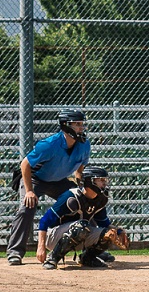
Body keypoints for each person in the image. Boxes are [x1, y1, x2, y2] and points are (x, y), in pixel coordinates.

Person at [8, 108, 89, 265]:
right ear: (66, 126)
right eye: (77, 124)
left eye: (82, 124)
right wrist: (30, 191)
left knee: (83, 204)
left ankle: (91, 251)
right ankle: (15, 252)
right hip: (36, 179)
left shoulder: (84, 145)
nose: (81, 128)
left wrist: (82, 189)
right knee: (27, 206)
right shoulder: (50, 144)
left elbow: (79, 171)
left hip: (59, 181)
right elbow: (25, 164)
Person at [38, 166, 118, 269]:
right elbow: (44, 221)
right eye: (101, 180)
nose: (105, 183)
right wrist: (41, 247)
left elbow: (104, 224)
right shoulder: (71, 197)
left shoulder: (100, 199)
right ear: (90, 181)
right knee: (82, 226)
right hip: (54, 237)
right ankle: (53, 258)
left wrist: (119, 232)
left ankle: (88, 258)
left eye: (105, 180)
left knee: (108, 232)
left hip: (80, 233)